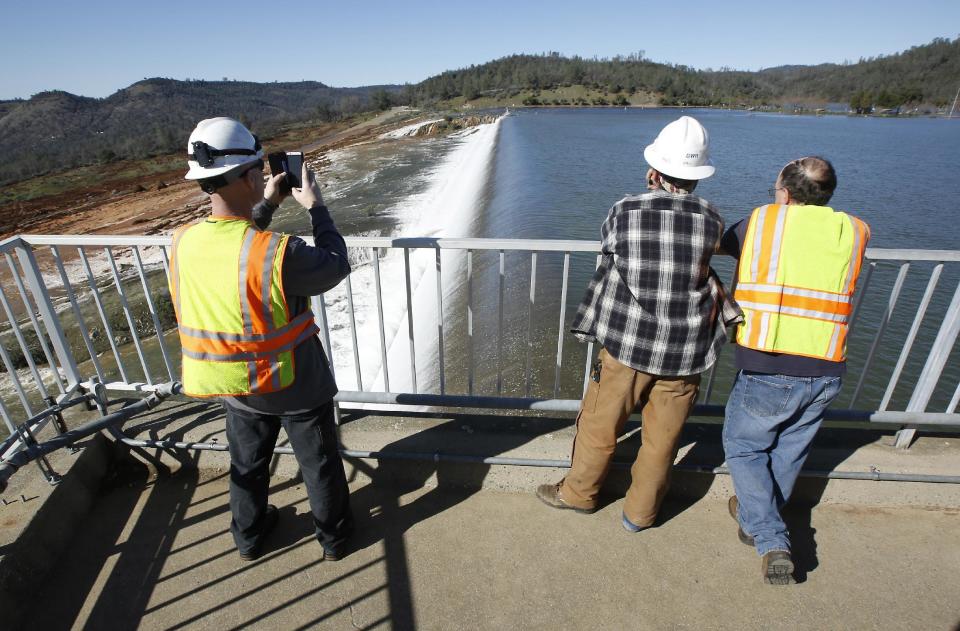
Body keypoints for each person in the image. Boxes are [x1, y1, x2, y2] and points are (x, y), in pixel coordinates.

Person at [536, 116, 741, 531]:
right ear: (698, 178)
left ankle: (578, 495)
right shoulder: (711, 218)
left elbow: (611, 245)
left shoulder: (625, 209)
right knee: (662, 440)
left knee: (600, 423)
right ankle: (640, 514)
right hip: (686, 350)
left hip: (629, 344)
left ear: (654, 171)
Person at [169, 117, 353, 562]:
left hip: (231, 383)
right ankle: (334, 541)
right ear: (252, 175)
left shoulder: (182, 242)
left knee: (247, 468)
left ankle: (248, 539)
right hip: (294, 383)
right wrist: (316, 207)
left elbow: (235, 241)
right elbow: (334, 264)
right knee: (319, 467)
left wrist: (266, 204)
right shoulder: (279, 251)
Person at [720, 156, 869, 585]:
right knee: (790, 449)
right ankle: (754, 516)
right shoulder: (853, 229)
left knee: (746, 447)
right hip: (827, 365)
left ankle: (771, 539)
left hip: (772, 363)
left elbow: (721, 243)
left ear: (784, 193)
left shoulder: (763, 223)